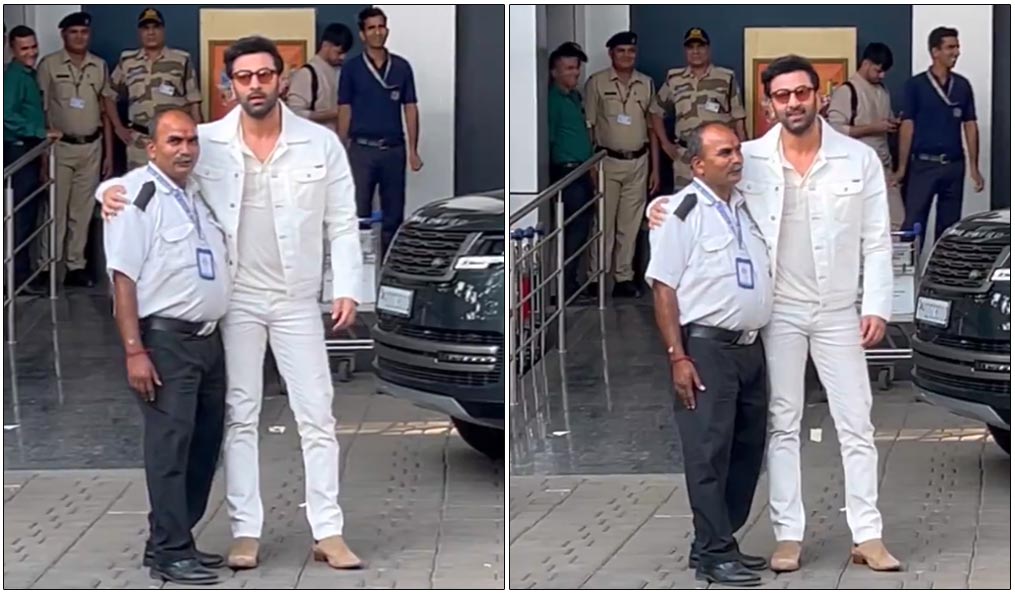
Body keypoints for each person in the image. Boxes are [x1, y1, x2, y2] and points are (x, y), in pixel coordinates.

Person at [98, 35, 364, 572]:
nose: (256, 85)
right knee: (240, 415)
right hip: (236, 300)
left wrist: (348, 286)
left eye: (265, 75)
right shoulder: (208, 141)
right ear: (231, 84)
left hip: (296, 299)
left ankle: (328, 530)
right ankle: (247, 530)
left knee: (317, 413)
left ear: (280, 78)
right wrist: (107, 190)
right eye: (244, 77)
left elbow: (342, 220)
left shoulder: (320, 144)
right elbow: (154, 174)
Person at [648, 55, 900, 573]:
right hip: (778, 312)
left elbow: (878, 242)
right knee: (782, 423)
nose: (793, 103)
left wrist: (877, 304)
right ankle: (789, 534)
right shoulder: (752, 158)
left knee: (857, 421)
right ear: (769, 104)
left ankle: (868, 534)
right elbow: (705, 191)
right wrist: (663, 208)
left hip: (837, 311)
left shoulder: (857, 160)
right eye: (782, 96)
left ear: (819, 95)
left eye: (802, 93)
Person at [104, 109, 230, 585]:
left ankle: (172, 541)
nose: (186, 149)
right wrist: (134, 349)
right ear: (152, 148)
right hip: (165, 343)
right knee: (169, 449)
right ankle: (172, 552)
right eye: (174, 141)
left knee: (202, 446)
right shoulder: (139, 195)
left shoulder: (195, 195)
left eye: (192, 141)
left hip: (206, 341)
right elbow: (123, 278)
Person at [647, 122, 773, 586]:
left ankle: (715, 542)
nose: (736, 159)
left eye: (737, 150)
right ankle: (716, 553)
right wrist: (677, 356)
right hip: (706, 348)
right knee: (708, 452)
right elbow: (664, 288)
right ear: (698, 165)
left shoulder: (743, 207)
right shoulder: (682, 211)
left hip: (749, 349)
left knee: (745, 448)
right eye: (724, 153)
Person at [35, 12, 112, 288]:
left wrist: (108, 154)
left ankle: (75, 266)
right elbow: (41, 111)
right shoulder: (49, 65)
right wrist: (43, 156)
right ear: (63, 35)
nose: (80, 37)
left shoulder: (99, 66)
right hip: (59, 147)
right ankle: (47, 267)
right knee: (55, 210)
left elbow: (105, 112)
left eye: (84, 32)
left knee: (82, 212)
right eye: (74, 32)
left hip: (91, 146)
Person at [338, 7, 422, 257]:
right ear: (363, 34)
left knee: (393, 214)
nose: (377, 32)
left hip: (393, 149)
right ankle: (358, 271)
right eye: (371, 28)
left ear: (387, 30)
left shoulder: (401, 67)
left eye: (381, 27)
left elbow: (410, 107)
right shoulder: (352, 68)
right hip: (362, 149)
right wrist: (342, 149)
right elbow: (345, 109)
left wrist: (413, 151)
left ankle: (388, 269)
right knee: (358, 214)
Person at [584, 31, 660, 299]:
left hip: (638, 161)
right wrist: (591, 166)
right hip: (607, 160)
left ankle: (624, 277)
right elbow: (589, 127)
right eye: (621, 51)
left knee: (629, 225)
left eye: (631, 51)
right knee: (604, 223)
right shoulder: (597, 83)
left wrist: (655, 168)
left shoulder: (646, 83)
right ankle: (596, 277)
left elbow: (653, 128)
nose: (627, 56)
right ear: (611, 54)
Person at [897, 27, 983, 247]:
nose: (956, 52)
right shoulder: (916, 85)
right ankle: (909, 278)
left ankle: (943, 277)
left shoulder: (962, 85)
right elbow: (907, 126)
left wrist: (974, 166)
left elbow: (970, 124)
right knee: (913, 224)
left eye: (957, 47)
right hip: (923, 164)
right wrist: (902, 168)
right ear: (935, 51)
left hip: (954, 165)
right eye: (950, 47)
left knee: (949, 229)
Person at [104, 8, 202, 169]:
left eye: (155, 27)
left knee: (174, 188)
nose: (151, 32)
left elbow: (194, 102)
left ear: (163, 30)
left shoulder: (181, 60)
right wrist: (118, 128)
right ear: (139, 32)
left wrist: (196, 138)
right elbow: (108, 95)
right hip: (139, 142)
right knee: (140, 190)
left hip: (174, 141)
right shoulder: (128, 61)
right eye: (145, 28)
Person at [653, 27, 747, 191]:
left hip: (718, 157)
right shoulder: (675, 79)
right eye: (691, 47)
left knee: (720, 202)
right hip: (685, 158)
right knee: (685, 208)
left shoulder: (725, 78)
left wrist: (742, 150)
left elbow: (738, 117)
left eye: (700, 46)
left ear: (708, 49)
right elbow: (655, 112)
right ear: (685, 50)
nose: (696, 51)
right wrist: (665, 144)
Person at [4, 25, 60, 294]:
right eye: (24, 48)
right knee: (20, 217)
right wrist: (40, 132)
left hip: (31, 151)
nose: (31, 52)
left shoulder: (29, 74)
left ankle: (21, 277)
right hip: (19, 150)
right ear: (12, 49)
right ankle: (15, 280)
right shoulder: (14, 78)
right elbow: (6, 116)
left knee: (27, 216)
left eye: (33, 46)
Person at [827, 42, 904, 230]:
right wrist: (872, 128)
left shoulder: (883, 90)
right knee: (856, 225)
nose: (882, 75)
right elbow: (834, 130)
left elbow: (884, 121)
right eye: (878, 70)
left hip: (883, 166)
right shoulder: (847, 91)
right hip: (853, 169)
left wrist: (893, 124)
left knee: (896, 221)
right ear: (866, 63)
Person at [547, 41, 596, 304]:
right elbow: (549, 139)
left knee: (582, 230)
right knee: (573, 231)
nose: (574, 73)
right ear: (555, 72)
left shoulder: (574, 98)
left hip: (582, 172)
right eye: (568, 69)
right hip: (566, 174)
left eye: (576, 68)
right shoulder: (553, 101)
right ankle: (565, 288)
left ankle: (571, 283)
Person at [287, 22, 353, 132]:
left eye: (345, 53)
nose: (343, 57)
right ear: (326, 45)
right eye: (339, 52)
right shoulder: (307, 73)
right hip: (314, 140)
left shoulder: (343, 72)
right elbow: (295, 113)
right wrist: (337, 113)